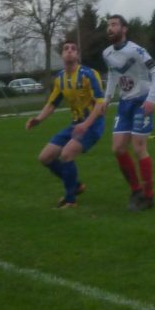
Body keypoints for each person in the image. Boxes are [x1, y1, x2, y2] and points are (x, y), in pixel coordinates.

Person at [25, 41, 105, 209]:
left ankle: (70, 200)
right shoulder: (60, 78)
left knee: (67, 154)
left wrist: (86, 124)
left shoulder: (89, 74)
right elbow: (52, 103)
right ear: (62, 55)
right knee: (45, 157)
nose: (69, 51)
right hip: (75, 125)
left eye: (73, 49)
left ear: (78, 55)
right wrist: (38, 119)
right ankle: (75, 185)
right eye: (66, 49)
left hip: (93, 124)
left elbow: (100, 103)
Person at [102, 14, 155, 211]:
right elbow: (113, 74)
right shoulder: (107, 53)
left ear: (124, 29)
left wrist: (151, 99)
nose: (110, 28)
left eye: (114, 25)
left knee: (139, 148)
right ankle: (136, 190)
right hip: (124, 103)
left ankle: (149, 196)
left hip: (141, 102)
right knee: (118, 148)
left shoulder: (137, 50)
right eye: (108, 25)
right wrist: (107, 98)